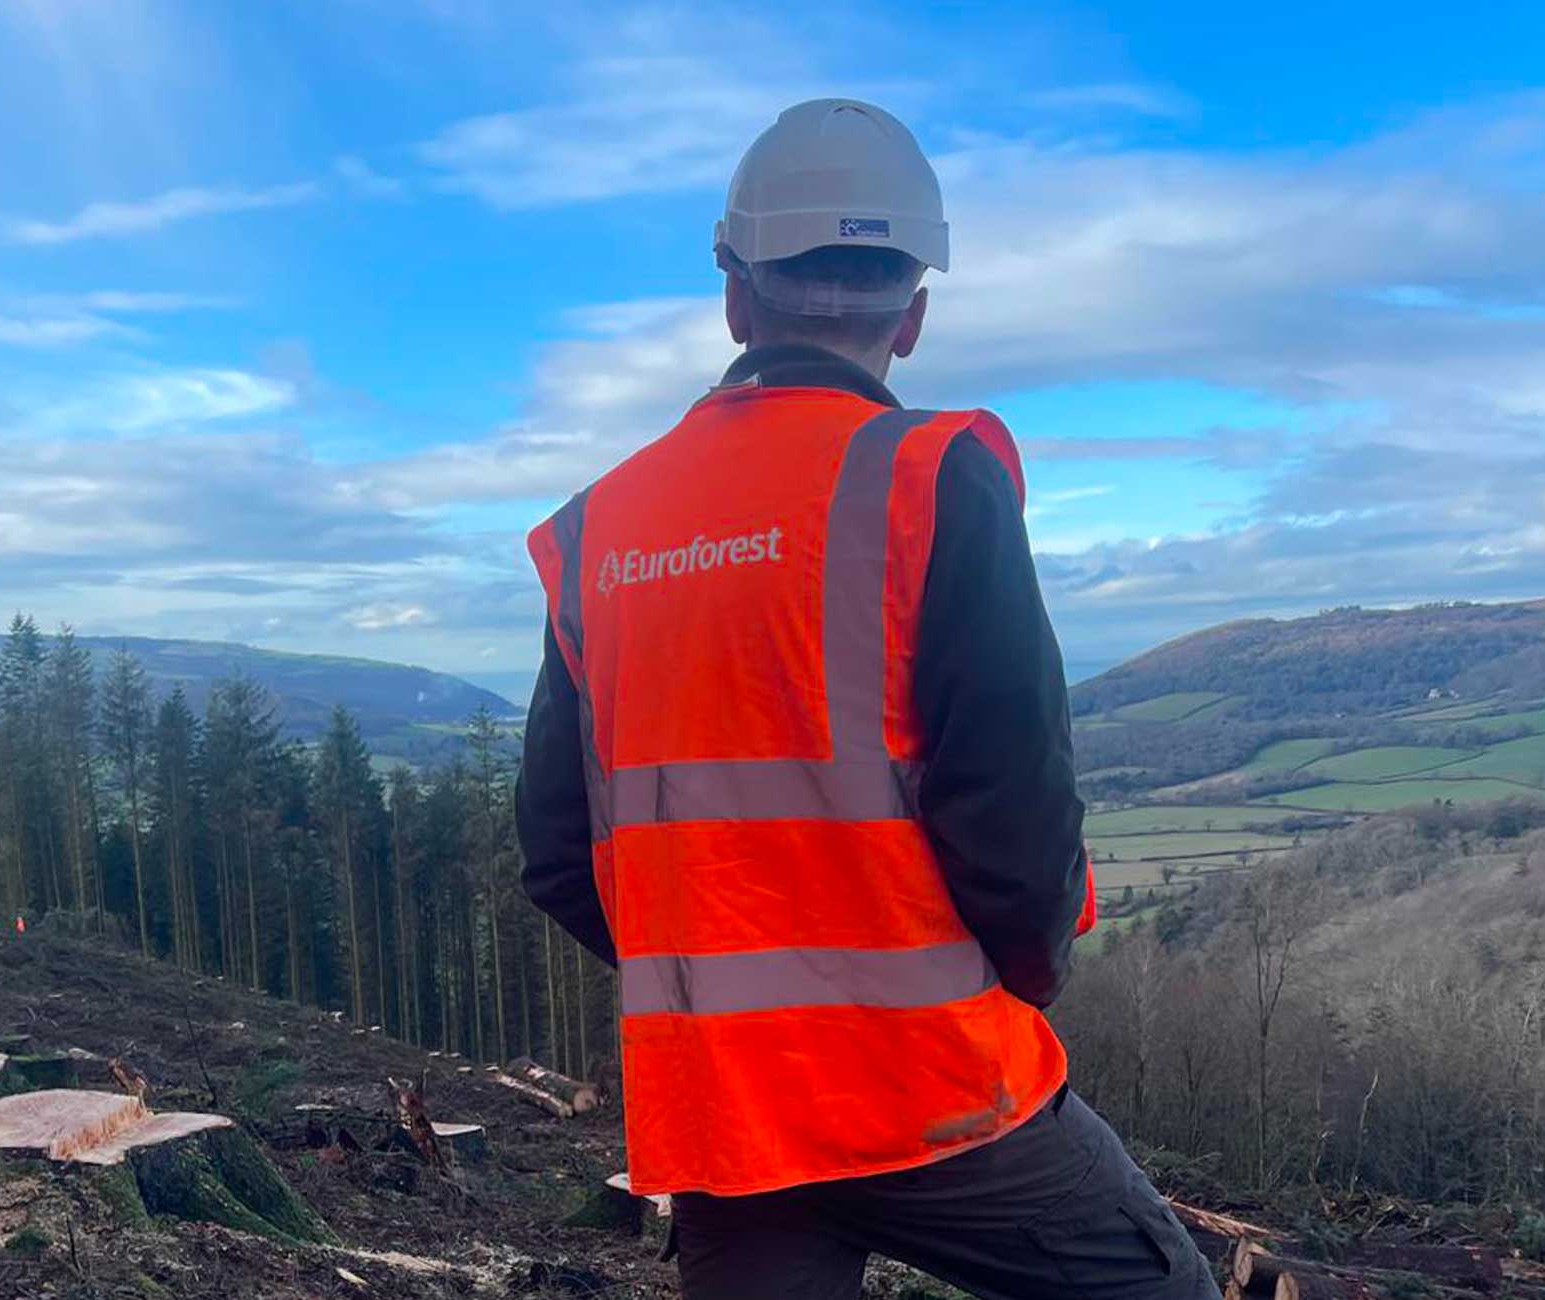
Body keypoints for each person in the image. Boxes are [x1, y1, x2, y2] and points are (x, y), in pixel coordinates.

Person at [516, 98, 1217, 1300]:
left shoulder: (599, 528)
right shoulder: (926, 479)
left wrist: (708, 990)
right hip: (933, 1088)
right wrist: (1022, 971)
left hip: (726, 1114)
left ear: (736, 297)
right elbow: (1016, 811)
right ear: (915, 313)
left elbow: (553, 850)